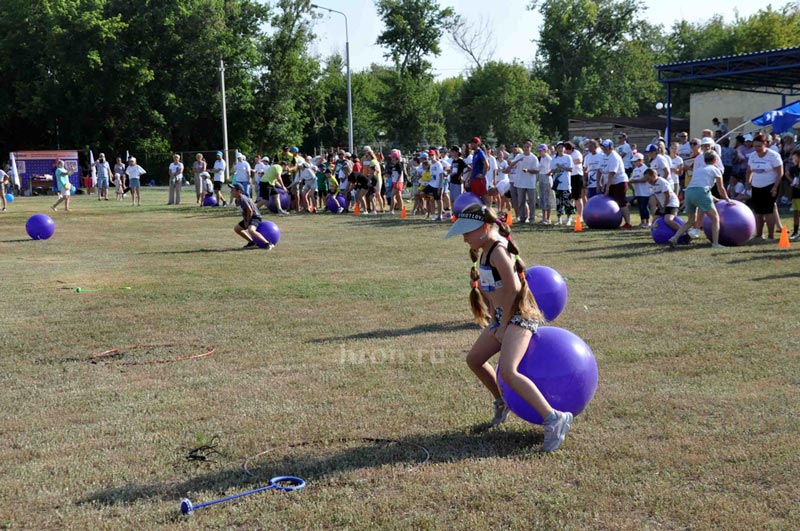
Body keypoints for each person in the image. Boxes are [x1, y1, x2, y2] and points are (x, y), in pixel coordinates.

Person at [446, 203, 573, 453]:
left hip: (519, 317)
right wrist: (494, 320)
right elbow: (493, 293)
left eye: (467, 233)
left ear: (484, 228)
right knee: (475, 359)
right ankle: (503, 402)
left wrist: (503, 327)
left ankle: (555, 419)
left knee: (509, 370)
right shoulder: (483, 250)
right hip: (502, 318)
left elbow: (514, 289)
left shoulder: (498, 251)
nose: (463, 239)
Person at [669, 151, 732, 248]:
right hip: (701, 192)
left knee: (690, 221)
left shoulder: (699, 170)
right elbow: (721, 188)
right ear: (716, 160)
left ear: (704, 160)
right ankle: (715, 243)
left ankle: (674, 238)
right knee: (715, 219)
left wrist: (713, 198)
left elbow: (698, 185)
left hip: (689, 192)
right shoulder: (715, 170)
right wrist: (727, 199)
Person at [746, 134, 784, 240]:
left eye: (759, 146)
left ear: (765, 144)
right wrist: (747, 182)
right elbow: (749, 170)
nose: (757, 149)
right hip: (756, 186)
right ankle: (759, 234)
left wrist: (775, 187)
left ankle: (770, 236)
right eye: (755, 146)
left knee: (768, 212)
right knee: (758, 212)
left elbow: (780, 172)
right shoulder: (752, 156)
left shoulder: (773, 156)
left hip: (769, 186)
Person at [227, 183, 273, 249]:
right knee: (237, 229)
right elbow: (243, 212)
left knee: (251, 230)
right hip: (248, 217)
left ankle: (267, 244)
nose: (231, 191)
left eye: (232, 189)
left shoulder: (243, 199)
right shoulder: (237, 200)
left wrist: (247, 221)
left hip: (255, 217)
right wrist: (245, 220)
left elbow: (250, 211)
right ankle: (252, 243)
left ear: (238, 191)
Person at [600, 139, 632, 229]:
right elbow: (602, 171)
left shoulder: (614, 156)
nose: (604, 148)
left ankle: (628, 223)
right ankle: (611, 221)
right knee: (611, 202)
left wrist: (607, 188)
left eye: (606, 147)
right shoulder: (605, 156)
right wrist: (603, 184)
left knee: (621, 202)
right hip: (612, 182)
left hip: (619, 182)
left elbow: (612, 173)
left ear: (611, 147)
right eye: (603, 147)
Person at [506, 140, 539, 223]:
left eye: (528, 146)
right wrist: (518, 160)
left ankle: (532, 218)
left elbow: (536, 171)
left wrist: (528, 170)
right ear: (523, 147)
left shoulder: (534, 158)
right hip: (520, 183)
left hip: (530, 183)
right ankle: (522, 218)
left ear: (531, 148)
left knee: (532, 201)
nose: (526, 148)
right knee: (521, 201)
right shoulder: (519, 156)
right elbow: (511, 165)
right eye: (525, 146)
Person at [647, 167, 681, 232]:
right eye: (647, 179)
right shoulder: (652, 184)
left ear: (654, 176)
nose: (648, 181)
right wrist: (660, 208)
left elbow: (667, 196)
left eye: (649, 179)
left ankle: (684, 234)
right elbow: (657, 197)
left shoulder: (662, 182)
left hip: (672, 203)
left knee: (668, 220)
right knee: (654, 222)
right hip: (664, 205)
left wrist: (664, 208)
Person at [552, 142, 575, 226]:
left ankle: (568, 218)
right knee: (558, 202)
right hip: (557, 184)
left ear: (564, 149)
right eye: (559, 147)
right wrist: (556, 169)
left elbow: (570, 169)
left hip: (566, 183)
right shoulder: (554, 158)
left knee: (567, 202)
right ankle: (559, 219)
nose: (560, 149)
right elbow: (552, 170)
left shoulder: (568, 157)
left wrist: (561, 167)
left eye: (562, 147)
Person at [628, 153, 651, 228]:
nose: (634, 163)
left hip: (645, 192)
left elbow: (644, 179)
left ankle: (647, 221)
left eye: (635, 161)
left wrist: (633, 181)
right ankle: (642, 221)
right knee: (640, 207)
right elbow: (632, 178)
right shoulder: (635, 170)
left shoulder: (646, 169)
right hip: (638, 191)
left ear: (640, 160)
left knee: (644, 206)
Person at [466, 137, 488, 205]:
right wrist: (470, 178)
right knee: (475, 197)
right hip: (474, 179)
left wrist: (483, 175)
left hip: (479, 180)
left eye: (472, 143)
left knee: (483, 196)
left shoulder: (480, 153)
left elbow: (486, 164)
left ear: (477, 144)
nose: (471, 145)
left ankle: (488, 212)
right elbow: (473, 167)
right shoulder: (475, 153)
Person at [537, 144, 554, 224]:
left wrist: (549, 173)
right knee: (542, 198)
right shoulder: (542, 158)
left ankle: (548, 218)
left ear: (545, 150)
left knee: (547, 199)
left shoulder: (548, 158)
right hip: (541, 178)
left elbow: (552, 168)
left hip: (547, 179)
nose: (539, 152)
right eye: (539, 150)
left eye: (541, 150)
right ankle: (544, 218)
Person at [788, 149, 800, 240]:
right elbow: (786, 174)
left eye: (794, 156)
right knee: (796, 213)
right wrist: (793, 181)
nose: (793, 158)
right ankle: (795, 232)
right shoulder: (794, 168)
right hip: (796, 193)